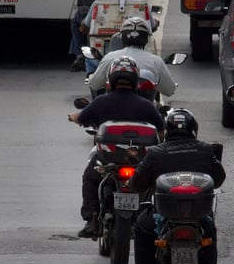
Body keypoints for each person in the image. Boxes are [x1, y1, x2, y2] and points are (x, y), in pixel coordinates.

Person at [128, 108, 226, 264]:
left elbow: (137, 183)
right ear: (193, 129)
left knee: (141, 228)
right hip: (199, 215)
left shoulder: (155, 153)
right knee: (209, 229)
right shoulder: (205, 149)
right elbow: (219, 178)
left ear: (167, 130)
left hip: (164, 215)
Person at [68, 56, 164, 238]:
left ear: (111, 80)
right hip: (140, 161)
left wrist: (73, 117)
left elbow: (81, 118)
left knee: (90, 177)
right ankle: (158, 222)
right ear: (135, 80)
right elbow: (161, 131)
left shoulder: (101, 102)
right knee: (156, 183)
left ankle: (91, 219)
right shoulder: (146, 105)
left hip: (108, 159)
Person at [88, 16, 176, 98]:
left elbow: (94, 85)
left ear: (122, 37)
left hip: (114, 110)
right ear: (146, 38)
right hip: (145, 111)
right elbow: (169, 90)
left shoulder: (110, 57)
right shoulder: (156, 61)